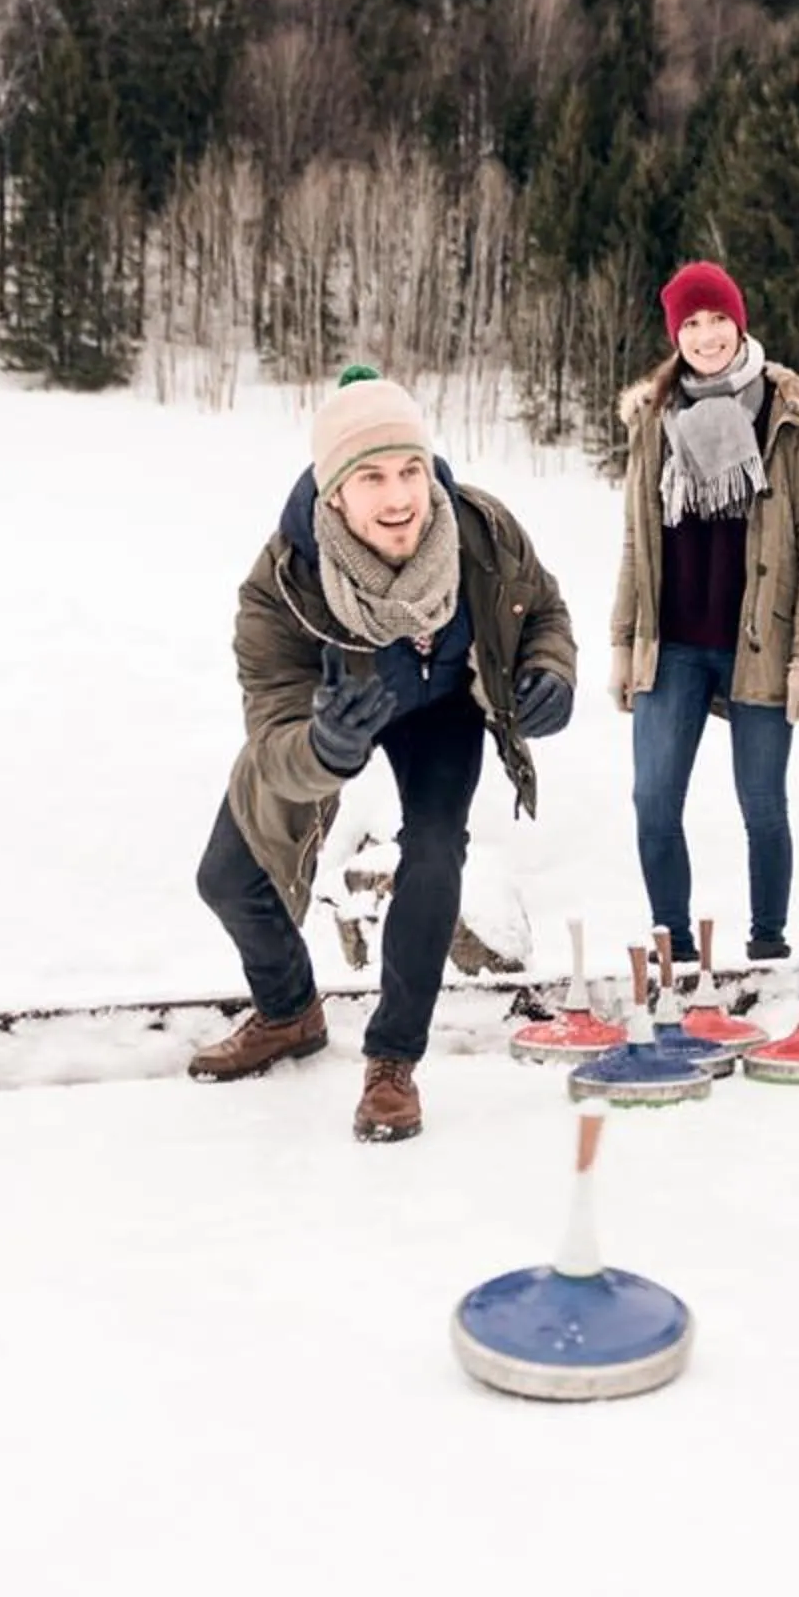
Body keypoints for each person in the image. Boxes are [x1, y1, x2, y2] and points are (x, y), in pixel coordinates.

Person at [188, 364, 576, 1142]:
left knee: (434, 853)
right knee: (226, 878)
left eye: (410, 470)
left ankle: (393, 1061)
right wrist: (324, 748)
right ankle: (289, 1011)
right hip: (337, 720)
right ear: (334, 491)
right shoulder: (281, 589)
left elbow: (544, 610)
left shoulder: (479, 530)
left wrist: (550, 674)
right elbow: (272, 734)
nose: (400, 497)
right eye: (372, 477)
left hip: (440, 715)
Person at [608, 260, 799, 965]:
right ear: (675, 335)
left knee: (762, 806)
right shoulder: (656, 417)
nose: (707, 334)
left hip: (761, 644)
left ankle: (768, 948)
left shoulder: (790, 415)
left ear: (739, 321)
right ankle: (676, 954)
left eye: (718, 318)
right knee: (653, 803)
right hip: (674, 642)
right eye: (691, 323)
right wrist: (624, 643)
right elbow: (637, 537)